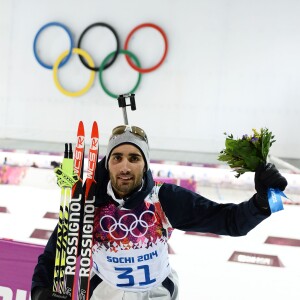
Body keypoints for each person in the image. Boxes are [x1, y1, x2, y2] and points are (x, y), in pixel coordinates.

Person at [31, 125, 288, 300]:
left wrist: (263, 203)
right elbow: (56, 252)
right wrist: (41, 292)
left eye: (134, 158)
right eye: (117, 157)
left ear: (145, 164)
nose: (124, 166)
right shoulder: (89, 204)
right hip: (104, 293)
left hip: (157, 293)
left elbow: (230, 222)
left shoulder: (163, 199)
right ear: (107, 163)